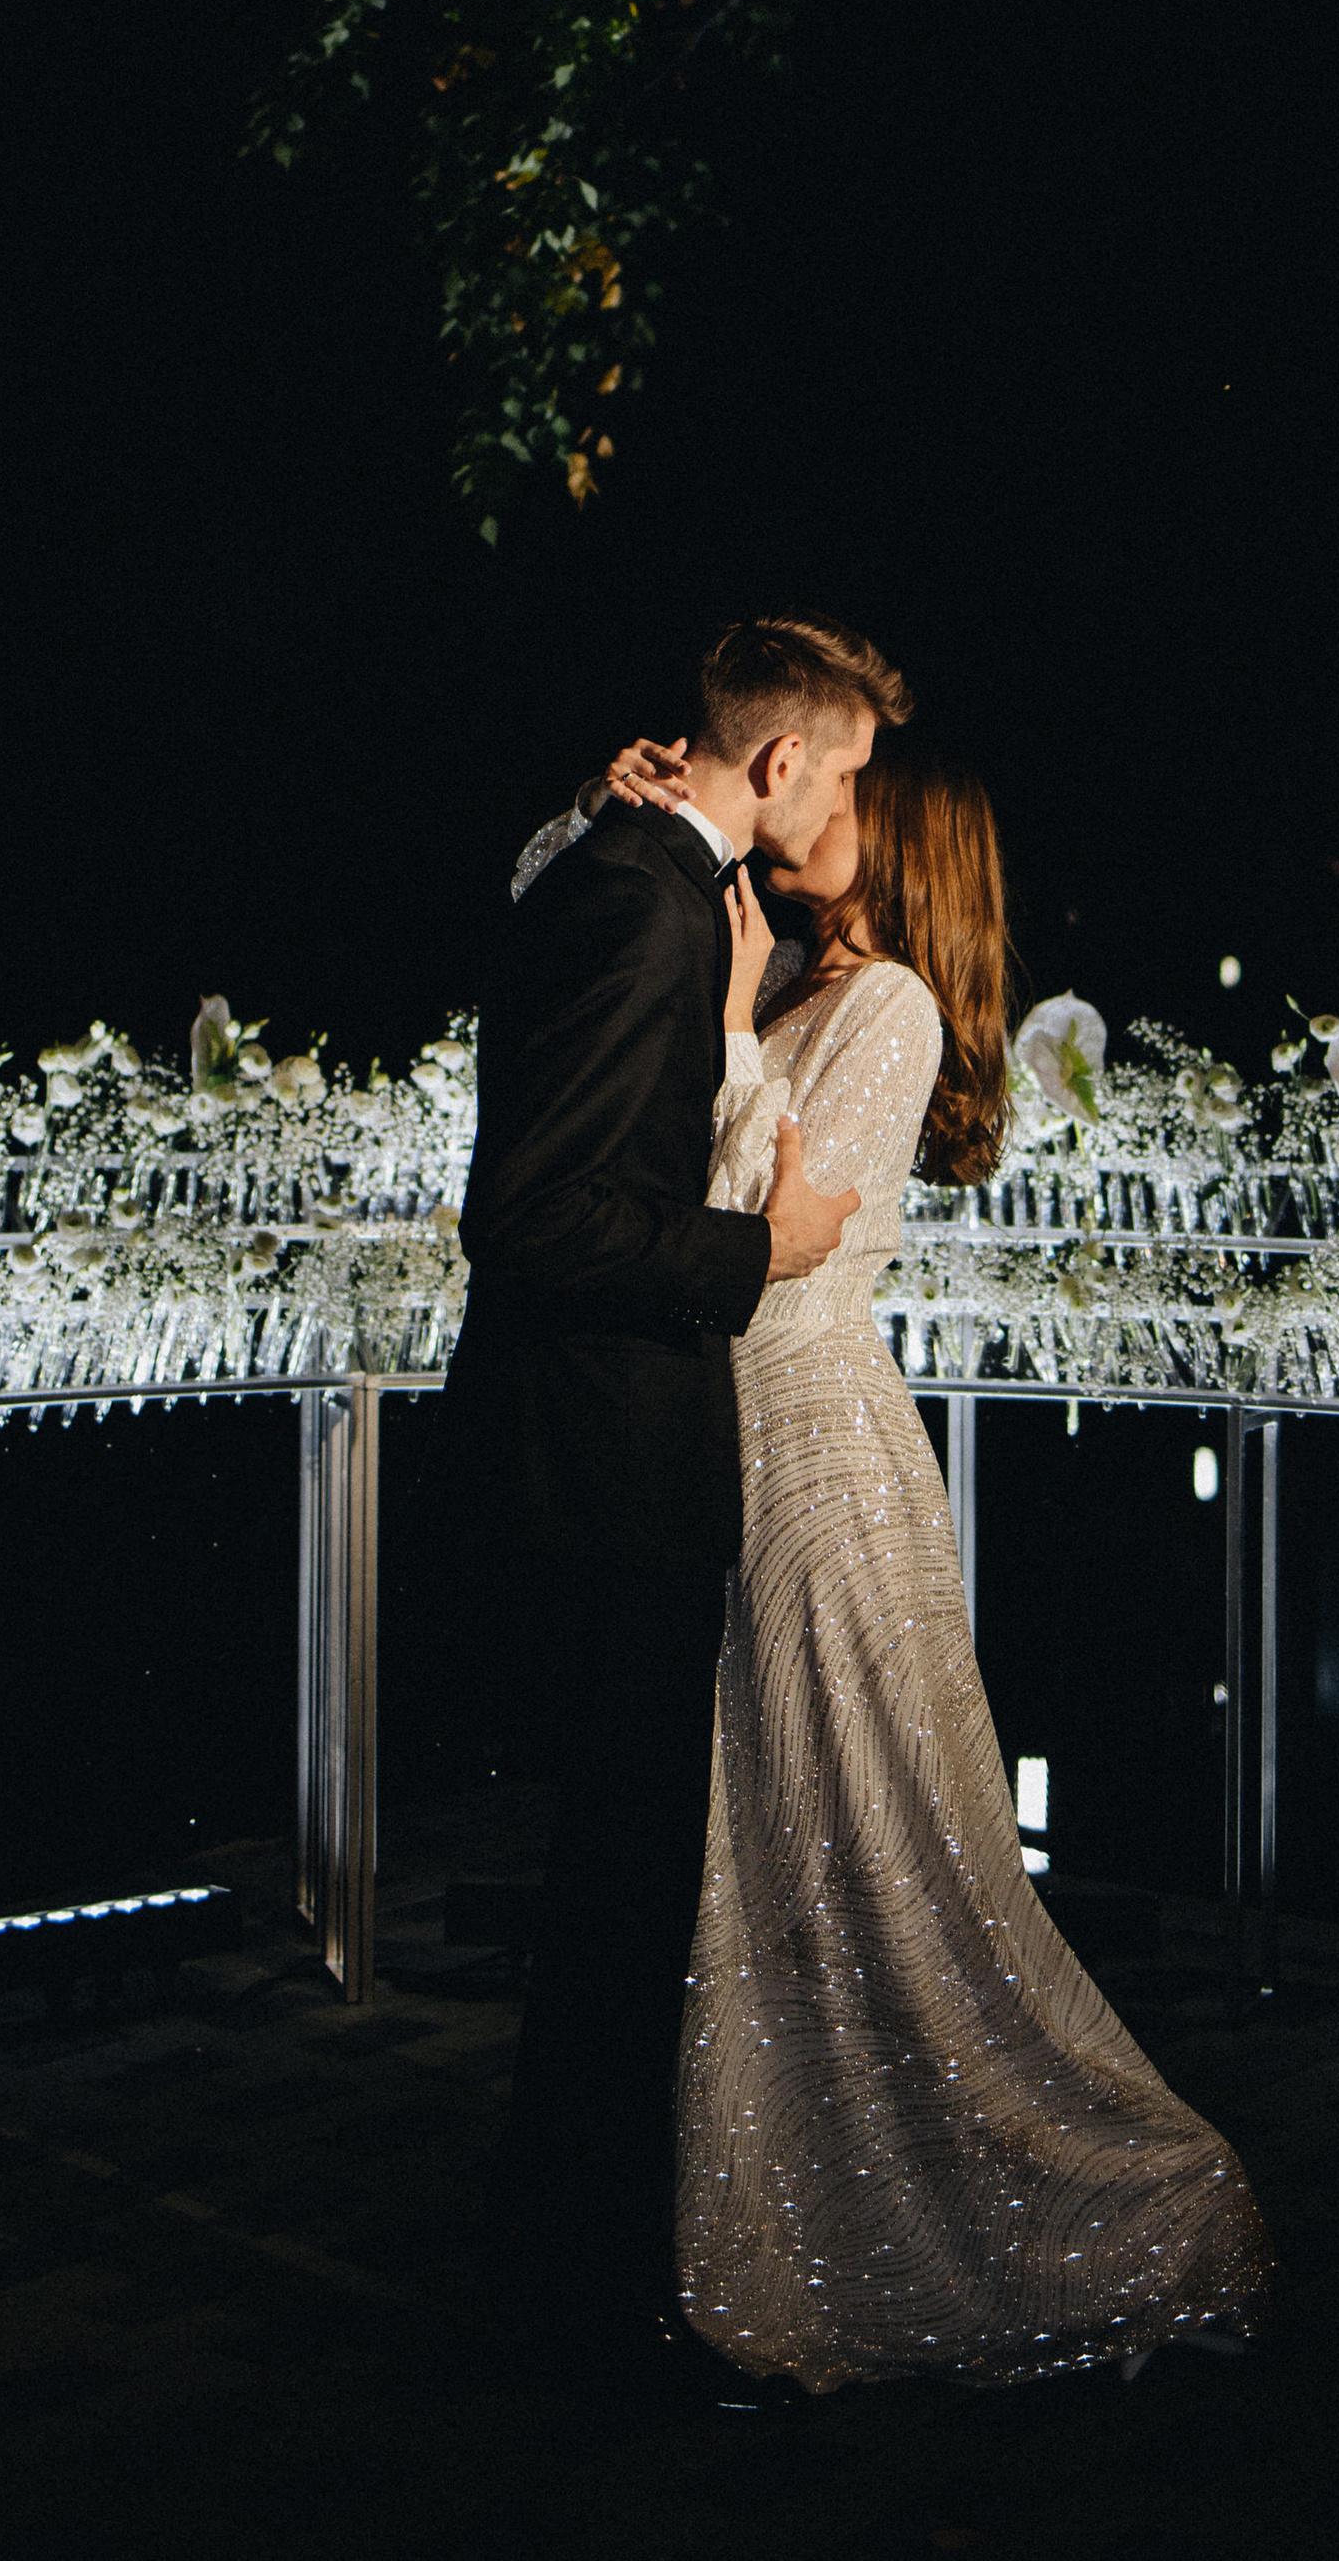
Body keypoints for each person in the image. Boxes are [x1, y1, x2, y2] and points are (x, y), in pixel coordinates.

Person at [542, 721, 1274, 2392]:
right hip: (746, 1448)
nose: (807, 809)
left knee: (868, 1841)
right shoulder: (805, 983)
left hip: (818, 1460)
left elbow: (785, 1242)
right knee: (782, 1842)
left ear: (905, 842)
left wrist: (727, 1029)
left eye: (847, 799)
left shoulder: (888, 1007)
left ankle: (1098, 2192)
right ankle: (784, 2198)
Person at [450, 609, 910, 2369]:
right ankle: (581, 2304)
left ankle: (568, 2273)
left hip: (606, 1448)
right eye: (849, 770)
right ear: (780, 764)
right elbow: (540, 1215)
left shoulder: (631, 868)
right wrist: (762, 1243)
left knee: (621, 1901)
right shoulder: (646, 894)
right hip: (609, 1456)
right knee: (620, 1912)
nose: (855, 801)